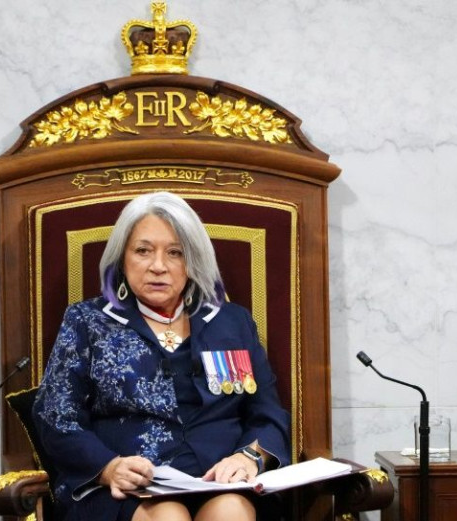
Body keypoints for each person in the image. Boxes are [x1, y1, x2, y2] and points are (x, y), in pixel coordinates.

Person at [32, 191, 291, 521]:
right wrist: (109, 467)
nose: (158, 266)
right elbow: (57, 415)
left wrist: (248, 458)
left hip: (220, 482)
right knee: (167, 516)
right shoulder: (88, 321)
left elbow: (266, 413)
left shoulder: (232, 321)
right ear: (122, 258)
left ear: (193, 261)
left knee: (231, 512)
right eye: (143, 251)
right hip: (126, 487)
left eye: (175, 253)